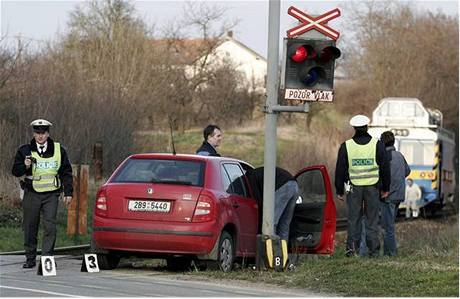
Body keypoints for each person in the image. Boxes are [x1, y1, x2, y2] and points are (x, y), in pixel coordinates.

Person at [12, 119, 73, 268]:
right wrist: (25, 166)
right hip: (31, 193)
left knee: (50, 227)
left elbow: (66, 172)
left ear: (48, 134)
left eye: (43, 133)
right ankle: (30, 258)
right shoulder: (24, 150)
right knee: (30, 226)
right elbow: (15, 171)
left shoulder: (59, 150)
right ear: (33, 134)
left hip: (51, 194)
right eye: (37, 133)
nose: (40, 136)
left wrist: (68, 192)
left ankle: (47, 258)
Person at [335, 114, 390, 257]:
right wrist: (386, 188)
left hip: (354, 188)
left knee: (354, 220)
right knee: (372, 221)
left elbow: (340, 169)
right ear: (367, 127)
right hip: (373, 188)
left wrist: (339, 190)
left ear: (354, 128)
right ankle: (373, 252)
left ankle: (352, 251)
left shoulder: (346, 146)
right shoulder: (377, 145)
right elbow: (385, 168)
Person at [245, 167, 299, 241]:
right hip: (294, 185)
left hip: (283, 186)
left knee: (271, 223)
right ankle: (282, 251)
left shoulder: (249, 177)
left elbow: (257, 199)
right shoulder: (256, 173)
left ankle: (272, 250)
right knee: (284, 225)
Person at [379, 131, 410, 256]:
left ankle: (391, 254)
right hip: (399, 195)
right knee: (390, 224)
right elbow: (407, 171)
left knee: (387, 227)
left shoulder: (384, 157)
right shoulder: (400, 155)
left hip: (388, 195)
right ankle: (389, 252)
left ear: (382, 142)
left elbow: (381, 175)